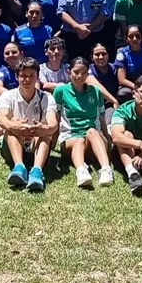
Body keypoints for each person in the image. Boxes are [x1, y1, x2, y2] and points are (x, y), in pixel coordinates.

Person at [0, 58, 57, 192]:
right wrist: (13, 126)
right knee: (12, 125)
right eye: (23, 76)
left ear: (37, 77)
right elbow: (1, 118)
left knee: (45, 132)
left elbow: (53, 124)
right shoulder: (8, 96)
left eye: (31, 76)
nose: (27, 80)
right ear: (17, 77)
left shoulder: (46, 97)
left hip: (36, 144)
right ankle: (19, 168)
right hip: (13, 146)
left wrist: (43, 129)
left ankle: (36, 171)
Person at [55, 58, 114, 188]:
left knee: (92, 131)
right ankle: (81, 171)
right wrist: (51, 144)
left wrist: (108, 140)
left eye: (84, 73)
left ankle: (106, 169)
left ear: (88, 74)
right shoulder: (61, 91)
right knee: (78, 140)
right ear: (69, 72)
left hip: (94, 138)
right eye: (76, 72)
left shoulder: (96, 91)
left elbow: (102, 119)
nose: (79, 76)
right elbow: (56, 118)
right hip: (70, 138)